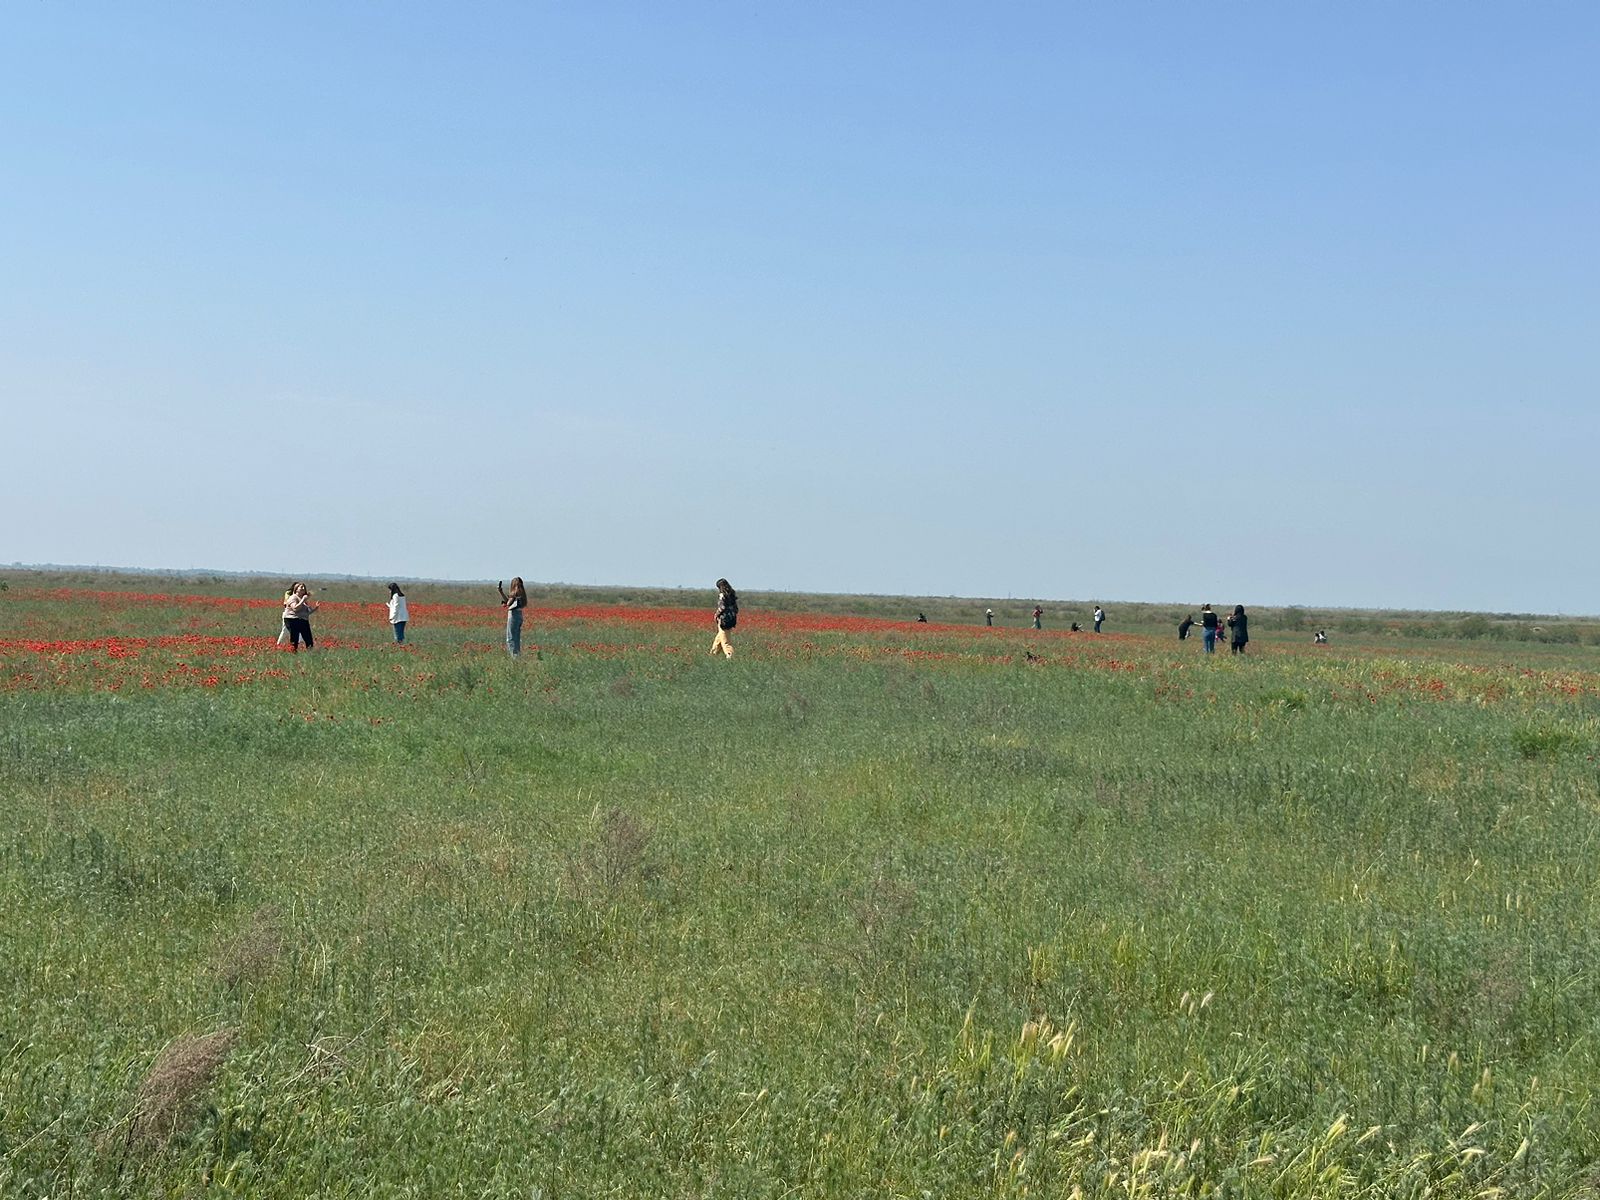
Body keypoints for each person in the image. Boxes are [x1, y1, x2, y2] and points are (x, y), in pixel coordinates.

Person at [282, 582, 317, 653]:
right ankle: (293, 652)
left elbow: (307, 613)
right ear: (296, 589)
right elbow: (295, 608)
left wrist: (316, 608)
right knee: (295, 637)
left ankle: (310, 653)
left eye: (304, 587)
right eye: (301, 587)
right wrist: (302, 600)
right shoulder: (293, 597)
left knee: (308, 638)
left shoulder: (303, 599)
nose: (303, 588)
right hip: (292, 619)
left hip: (302, 619)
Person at [497, 578, 527, 657]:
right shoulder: (521, 593)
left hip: (513, 615)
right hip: (519, 615)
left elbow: (509, 603)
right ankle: (517, 656)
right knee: (516, 638)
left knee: (510, 639)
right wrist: (501, 592)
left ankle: (514, 658)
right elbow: (509, 602)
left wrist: (511, 595)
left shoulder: (515, 593)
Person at [712, 578, 738, 658]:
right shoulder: (732, 594)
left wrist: (716, 614)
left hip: (723, 620)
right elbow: (736, 608)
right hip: (731, 619)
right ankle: (713, 654)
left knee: (726, 642)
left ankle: (729, 655)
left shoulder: (722, 595)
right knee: (719, 638)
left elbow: (722, 607)